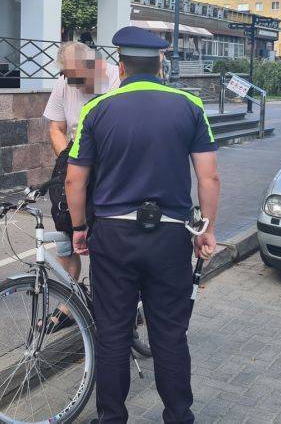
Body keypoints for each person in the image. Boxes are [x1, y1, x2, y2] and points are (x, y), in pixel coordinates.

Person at [65, 26, 220, 423]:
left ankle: (112, 418)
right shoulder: (189, 105)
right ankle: (179, 416)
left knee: (113, 334)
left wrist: (79, 228)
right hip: (170, 236)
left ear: (120, 66)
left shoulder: (96, 109)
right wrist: (206, 228)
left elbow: (74, 179)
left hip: (114, 237)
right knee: (169, 333)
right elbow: (209, 178)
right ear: (161, 63)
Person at [42, 41, 120, 285]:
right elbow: (56, 127)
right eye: (67, 75)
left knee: (105, 238)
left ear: (94, 66)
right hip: (75, 163)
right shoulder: (63, 83)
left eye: (77, 75)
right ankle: (70, 300)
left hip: (110, 168)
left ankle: (109, 300)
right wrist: (68, 159)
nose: (72, 81)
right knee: (67, 236)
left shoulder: (117, 80)